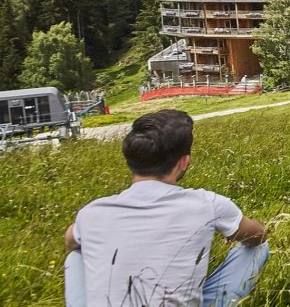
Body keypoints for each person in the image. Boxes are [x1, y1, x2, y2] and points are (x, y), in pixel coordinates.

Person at [64, 109, 269, 307]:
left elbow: (70, 240)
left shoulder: (92, 212)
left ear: (130, 159)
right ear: (183, 162)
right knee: (258, 248)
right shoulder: (208, 204)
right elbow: (259, 236)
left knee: (77, 255)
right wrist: (233, 232)